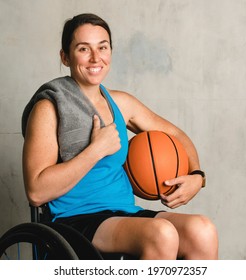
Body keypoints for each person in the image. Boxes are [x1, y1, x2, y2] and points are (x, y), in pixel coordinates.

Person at [22, 13, 218, 260]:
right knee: (162, 234)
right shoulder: (48, 108)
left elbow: (175, 134)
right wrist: (96, 150)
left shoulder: (121, 103)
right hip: (74, 220)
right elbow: (36, 191)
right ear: (65, 56)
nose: (96, 58)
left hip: (123, 214)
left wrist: (197, 176)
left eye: (102, 47)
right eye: (84, 49)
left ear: (110, 52)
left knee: (203, 230)